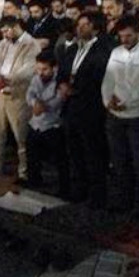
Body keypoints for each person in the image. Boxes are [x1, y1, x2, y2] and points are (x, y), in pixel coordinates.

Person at [101, 16, 139, 219]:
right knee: (119, 160)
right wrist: (108, 100)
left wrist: (125, 102)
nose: (124, 40)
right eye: (121, 36)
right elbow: (108, 80)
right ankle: (123, 200)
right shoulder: (116, 52)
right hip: (115, 115)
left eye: (128, 35)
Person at [57, 13, 112, 207]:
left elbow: (100, 77)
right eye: (78, 24)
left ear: (95, 28)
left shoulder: (103, 50)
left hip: (90, 108)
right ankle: (79, 189)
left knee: (93, 153)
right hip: (71, 107)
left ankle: (97, 195)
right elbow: (62, 71)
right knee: (75, 152)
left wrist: (77, 89)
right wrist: (62, 84)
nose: (80, 28)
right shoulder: (72, 49)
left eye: (85, 24)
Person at [0, 16, 41, 180]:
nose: (5, 35)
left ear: (16, 27)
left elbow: (30, 69)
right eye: (2, 32)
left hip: (19, 94)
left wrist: (8, 79)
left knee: (21, 134)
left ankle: (24, 171)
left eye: (7, 31)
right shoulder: (2, 43)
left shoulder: (32, 44)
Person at [25, 51, 68, 194]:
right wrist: (34, 103)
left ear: (54, 68)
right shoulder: (36, 78)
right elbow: (30, 93)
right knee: (32, 156)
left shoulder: (60, 81)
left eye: (44, 69)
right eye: (38, 69)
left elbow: (59, 100)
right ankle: (34, 181)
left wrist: (42, 106)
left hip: (53, 124)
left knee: (60, 159)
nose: (41, 73)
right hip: (36, 122)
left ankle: (64, 187)